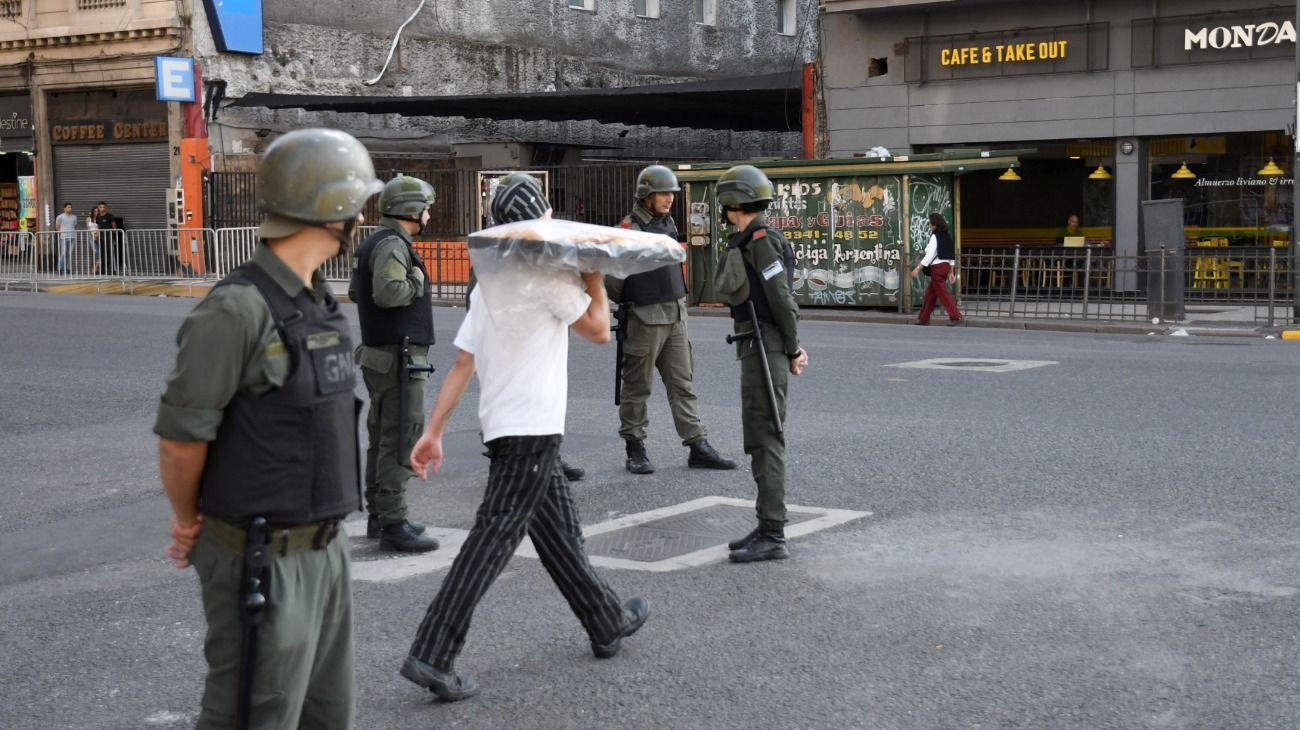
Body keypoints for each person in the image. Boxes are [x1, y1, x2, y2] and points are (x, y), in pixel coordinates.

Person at [154, 128, 382, 730]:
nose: (363, 216)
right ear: (336, 212)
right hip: (263, 559)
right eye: (358, 204)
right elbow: (181, 438)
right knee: (256, 714)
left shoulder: (316, 299)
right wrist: (188, 522)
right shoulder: (237, 309)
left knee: (327, 715)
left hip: (324, 548)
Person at [401, 173, 649, 701]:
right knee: (493, 537)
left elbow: (463, 363)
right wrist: (596, 277)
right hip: (532, 427)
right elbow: (601, 330)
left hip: (505, 426)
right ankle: (434, 651)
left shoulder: (486, 283)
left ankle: (604, 621)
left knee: (559, 533)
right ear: (543, 221)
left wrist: (434, 430)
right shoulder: (548, 277)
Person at [606, 165, 737, 475]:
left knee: (683, 384)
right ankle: (634, 447)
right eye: (663, 193)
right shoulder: (627, 230)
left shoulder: (666, 224)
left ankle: (697, 444)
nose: (669, 199)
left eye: (671, 194)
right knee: (638, 386)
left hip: (675, 314)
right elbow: (612, 280)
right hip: (644, 316)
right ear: (646, 196)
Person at [467, 172, 586, 484]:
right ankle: (505, 459)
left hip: (526, 331)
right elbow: (479, 300)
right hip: (506, 336)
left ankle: (547, 460)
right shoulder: (494, 249)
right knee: (507, 398)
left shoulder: (517, 245)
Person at [716, 164, 808, 563]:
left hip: (765, 343)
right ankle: (766, 522)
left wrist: (793, 348)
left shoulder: (761, 241)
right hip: (756, 343)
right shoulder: (750, 239)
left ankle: (773, 533)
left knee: (766, 436)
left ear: (733, 201)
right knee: (758, 435)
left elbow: (782, 299)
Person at [348, 175, 441, 553]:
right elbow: (387, 293)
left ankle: (381, 514)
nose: (429, 214)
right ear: (411, 210)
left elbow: (357, 291)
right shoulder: (392, 245)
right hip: (398, 358)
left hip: (383, 355)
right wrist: (418, 281)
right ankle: (393, 522)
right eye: (426, 208)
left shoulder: (377, 241)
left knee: (383, 438)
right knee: (401, 436)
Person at [910, 212, 962, 326]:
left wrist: (918, 268)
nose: (929, 225)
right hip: (945, 266)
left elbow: (929, 255)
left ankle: (955, 316)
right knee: (930, 294)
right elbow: (951, 255)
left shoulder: (935, 236)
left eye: (930, 223)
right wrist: (951, 271)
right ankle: (923, 318)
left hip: (937, 268)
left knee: (943, 294)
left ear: (935, 225)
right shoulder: (947, 236)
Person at [95, 201, 123, 275]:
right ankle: (103, 270)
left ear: (106, 207)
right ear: (98, 208)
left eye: (103, 207)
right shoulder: (97, 216)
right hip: (101, 237)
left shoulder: (109, 216)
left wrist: (113, 236)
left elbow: (114, 226)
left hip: (108, 236)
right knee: (102, 253)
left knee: (110, 253)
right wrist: (97, 234)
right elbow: (98, 226)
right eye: (100, 207)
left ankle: (111, 270)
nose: (102, 208)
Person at [55, 202, 77, 275]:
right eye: (68, 207)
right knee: (63, 253)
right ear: (64, 208)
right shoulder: (60, 217)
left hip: (72, 237)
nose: (70, 208)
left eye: (71, 207)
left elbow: (74, 226)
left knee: (70, 254)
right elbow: (57, 227)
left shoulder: (74, 217)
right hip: (64, 237)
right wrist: (61, 233)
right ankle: (60, 269)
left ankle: (68, 269)